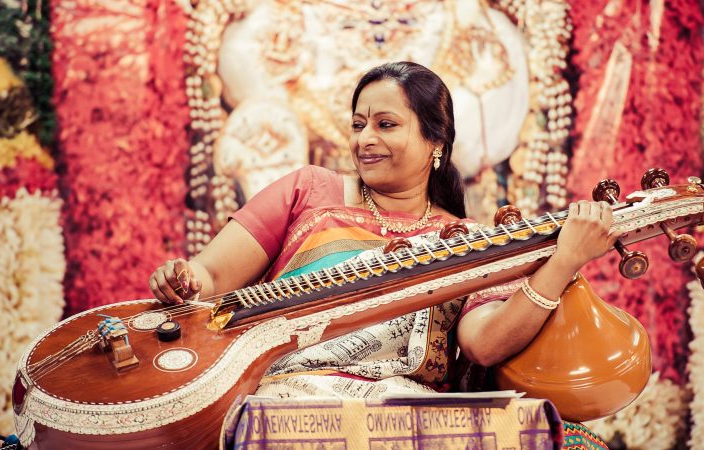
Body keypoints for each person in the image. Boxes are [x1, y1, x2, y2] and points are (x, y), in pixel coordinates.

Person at [149, 61, 619, 399]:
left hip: (400, 410)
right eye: (358, 124)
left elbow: (483, 342)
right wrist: (184, 280)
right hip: (282, 394)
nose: (364, 139)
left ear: (435, 140)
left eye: (386, 124)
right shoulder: (310, 189)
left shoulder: (465, 240)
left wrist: (565, 262)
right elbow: (210, 276)